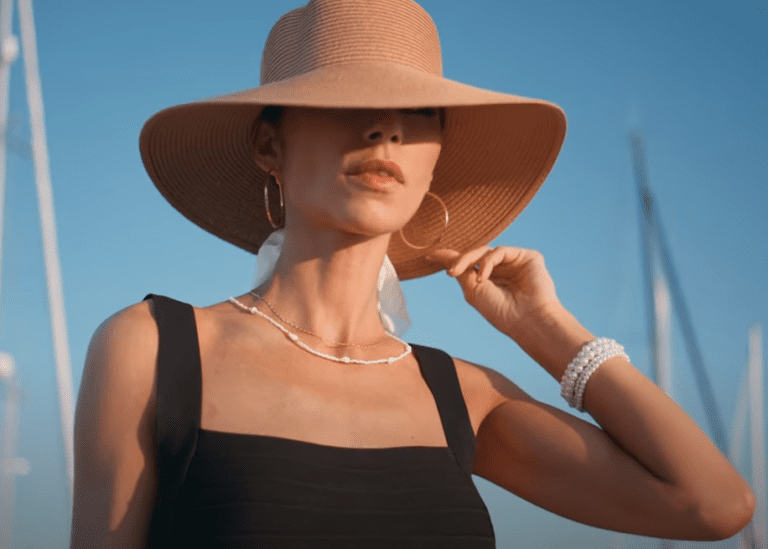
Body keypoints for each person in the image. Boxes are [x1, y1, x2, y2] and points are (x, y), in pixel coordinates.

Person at [69, 0, 755, 547]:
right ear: (268, 141)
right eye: (347, 99)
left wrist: (551, 332)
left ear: (435, 158)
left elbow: (714, 503)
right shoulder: (152, 349)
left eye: (418, 111)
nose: (386, 130)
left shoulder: (462, 395)